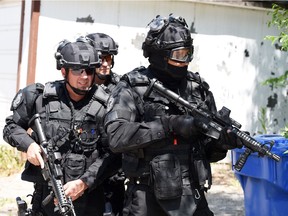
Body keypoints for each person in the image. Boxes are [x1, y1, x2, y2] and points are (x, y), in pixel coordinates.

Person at [103, 14, 244, 216]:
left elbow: (206, 151)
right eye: (178, 54)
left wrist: (221, 143)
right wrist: (169, 125)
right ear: (159, 54)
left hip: (192, 195)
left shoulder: (197, 89)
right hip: (146, 198)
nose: (184, 61)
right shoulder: (133, 87)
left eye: (188, 53)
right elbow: (116, 138)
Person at [3, 39, 120, 216]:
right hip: (46, 197)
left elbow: (114, 153)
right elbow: (11, 127)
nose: (84, 77)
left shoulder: (107, 105)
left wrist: (83, 183)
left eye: (89, 71)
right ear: (64, 71)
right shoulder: (40, 98)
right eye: (77, 71)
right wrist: (29, 145)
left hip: (91, 198)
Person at [79, 32, 125, 216]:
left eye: (109, 58)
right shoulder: (79, 84)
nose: (105, 64)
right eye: (100, 58)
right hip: (83, 167)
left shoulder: (123, 86)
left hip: (113, 169)